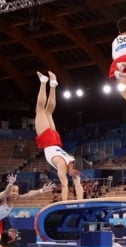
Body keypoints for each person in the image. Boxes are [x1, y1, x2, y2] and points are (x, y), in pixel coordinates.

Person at [35, 71, 84, 201]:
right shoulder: (63, 167)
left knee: (49, 112)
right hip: (49, 141)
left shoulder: (70, 161)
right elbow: (64, 185)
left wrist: (81, 201)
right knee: (40, 110)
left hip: (56, 140)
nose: (74, 176)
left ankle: (53, 85)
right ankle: (44, 82)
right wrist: (64, 203)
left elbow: (78, 186)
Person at [0, 174, 55, 247]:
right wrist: (10, 184)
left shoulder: (14, 199)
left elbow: (28, 195)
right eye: (13, 191)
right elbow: (5, 193)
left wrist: (41, 190)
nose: (15, 193)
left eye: (17, 191)